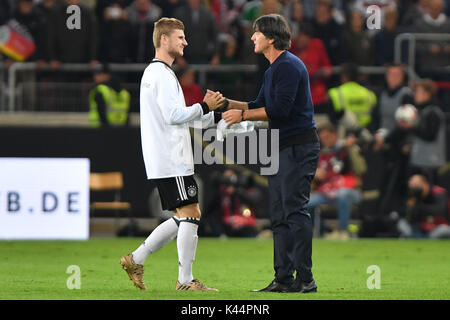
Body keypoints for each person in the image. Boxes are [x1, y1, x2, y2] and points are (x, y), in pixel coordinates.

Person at [119, 17, 225, 291]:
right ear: (164, 39)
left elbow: (181, 117)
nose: (185, 42)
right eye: (180, 37)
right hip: (170, 157)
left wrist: (217, 115)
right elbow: (173, 115)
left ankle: (136, 258)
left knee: (185, 215)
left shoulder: (161, 73)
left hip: (168, 157)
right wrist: (203, 105)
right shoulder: (159, 74)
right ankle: (185, 281)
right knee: (191, 213)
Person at [221, 14, 320, 293]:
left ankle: (306, 279)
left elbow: (279, 110)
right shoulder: (274, 69)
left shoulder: (288, 66)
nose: (252, 37)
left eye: (257, 33)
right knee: (279, 214)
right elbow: (258, 104)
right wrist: (225, 103)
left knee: (294, 210)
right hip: (280, 147)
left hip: (298, 147)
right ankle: (284, 279)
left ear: (271, 38)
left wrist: (241, 115)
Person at [307, 123, 367, 240]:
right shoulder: (322, 153)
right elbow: (313, 175)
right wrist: (315, 173)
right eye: (323, 139)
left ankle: (343, 232)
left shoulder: (348, 148)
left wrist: (350, 149)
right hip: (328, 191)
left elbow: (361, 169)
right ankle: (320, 231)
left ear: (335, 135)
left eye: (328, 137)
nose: (326, 141)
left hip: (352, 191)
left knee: (342, 194)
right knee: (306, 202)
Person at [397, 174, 450, 238]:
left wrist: (419, 207)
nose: (414, 188)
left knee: (444, 229)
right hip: (419, 230)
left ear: (425, 184)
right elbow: (409, 218)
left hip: (435, 230)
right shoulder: (413, 196)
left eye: (416, 185)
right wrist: (410, 208)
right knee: (402, 224)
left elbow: (441, 210)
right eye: (412, 186)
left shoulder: (438, 192)